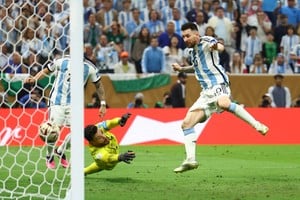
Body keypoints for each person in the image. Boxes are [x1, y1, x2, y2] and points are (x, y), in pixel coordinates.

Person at [171, 22, 269, 173]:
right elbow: (197, 66)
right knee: (186, 124)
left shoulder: (207, 41)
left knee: (223, 103)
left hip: (219, 83)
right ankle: (190, 160)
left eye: (188, 36)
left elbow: (220, 46)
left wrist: (216, 47)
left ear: (196, 34)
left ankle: (257, 124)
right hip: (206, 93)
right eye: (183, 36)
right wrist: (182, 68)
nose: (185, 39)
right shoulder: (191, 52)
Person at [24, 56, 107, 169]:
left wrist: (103, 103)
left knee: (77, 133)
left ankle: (60, 150)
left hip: (74, 104)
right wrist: (35, 78)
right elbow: (46, 70)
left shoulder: (90, 68)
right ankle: (49, 156)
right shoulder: (62, 61)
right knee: (51, 131)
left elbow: (98, 85)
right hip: (57, 102)